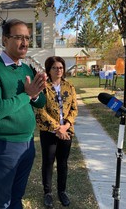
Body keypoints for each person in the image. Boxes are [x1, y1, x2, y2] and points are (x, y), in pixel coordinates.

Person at [0, 19, 47, 209]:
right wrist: (28, 95)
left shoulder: (25, 68)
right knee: (3, 200)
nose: (24, 43)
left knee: (18, 196)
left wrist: (34, 95)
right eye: (18, 37)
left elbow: (41, 102)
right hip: (6, 145)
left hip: (27, 144)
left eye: (27, 38)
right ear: (5, 39)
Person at [35, 56, 78, 208]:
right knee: (48, 162)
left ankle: (62, 191)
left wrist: (65, 126)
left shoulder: (69, 86)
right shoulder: (43, 87)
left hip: (66, 131)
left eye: (61, 67)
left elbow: (74, 109)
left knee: (63, 163)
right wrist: (57, 128)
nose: (58, 70)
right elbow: (40, 110)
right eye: (55, 67)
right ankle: (48, 193)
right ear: (49, 70)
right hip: (48, 131)